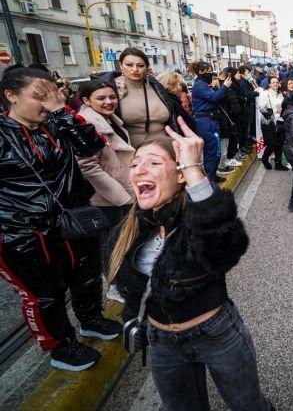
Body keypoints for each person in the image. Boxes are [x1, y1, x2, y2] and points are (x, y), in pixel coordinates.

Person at [107, 121, 273, 410]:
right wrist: (134, 317)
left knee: (248, 405)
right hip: (161, 342)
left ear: (181, 175)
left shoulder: (199, 219)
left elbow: (226, 247)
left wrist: (195, 171)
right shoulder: (131, 228)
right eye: (135, 164)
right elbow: (131, 286)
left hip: (216, 333)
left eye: (154, 162)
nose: (140, 170)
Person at [0, 65, 121, 371]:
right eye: (39, 95)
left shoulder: (57, 122)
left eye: (51, 93)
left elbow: (93, 146)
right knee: (46, 295)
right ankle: (60, 346)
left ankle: (91, 318)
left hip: (74, 220)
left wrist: (61, 110)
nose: (47, 102)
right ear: (10, 96)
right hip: (24, 234)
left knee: (87, 274)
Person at [76, 80, 135, 303]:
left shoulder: (109, 120)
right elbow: (88, 166)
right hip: (106, 197)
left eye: (112, 97)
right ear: (86, 101)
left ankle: (124, 279)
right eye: (101, 98)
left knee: (123, 239)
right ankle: (114, 285)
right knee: (110, 243)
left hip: (122, 190)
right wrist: (120, 195)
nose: (109, 101)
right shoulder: (87, 125)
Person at [97, 48, 180, 147]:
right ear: (121, 65)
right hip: (130, 150)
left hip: (166, 146)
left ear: (146, 67)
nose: (135, 69)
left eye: (140, 65)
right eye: (129, 65)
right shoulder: (112, 88)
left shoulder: (156, 86)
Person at [189, 61, 230, 183]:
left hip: (211, 120)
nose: (210, 74)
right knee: (212, 151)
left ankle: (212, 175)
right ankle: (210, 178)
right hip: (206, 122)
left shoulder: (204, 85)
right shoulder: (200, 85)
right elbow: (213, 98)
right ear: (200, 72)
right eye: (207, 71)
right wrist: (225, 87)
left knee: (214, 150)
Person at [215, 68, 243, 176]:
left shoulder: (216, 87)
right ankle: (222, 166)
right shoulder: (227, 89)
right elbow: (235, 107)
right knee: (225, 144)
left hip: (219, 119)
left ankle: (222, 164)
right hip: (226, 120)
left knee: (221, 145)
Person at [258, 75, 287, 171]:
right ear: (269, 84)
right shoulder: (265, 93)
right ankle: (264, 158)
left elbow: (282, 106)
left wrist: (283, 110)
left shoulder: (280, 94)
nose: (275, 84)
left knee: (280, 144)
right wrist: (275, 110)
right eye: (273, 82)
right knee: (271, 144)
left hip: (280, 121)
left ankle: (278, 164)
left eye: (277, 82)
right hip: (268, 123)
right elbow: (262, 109)